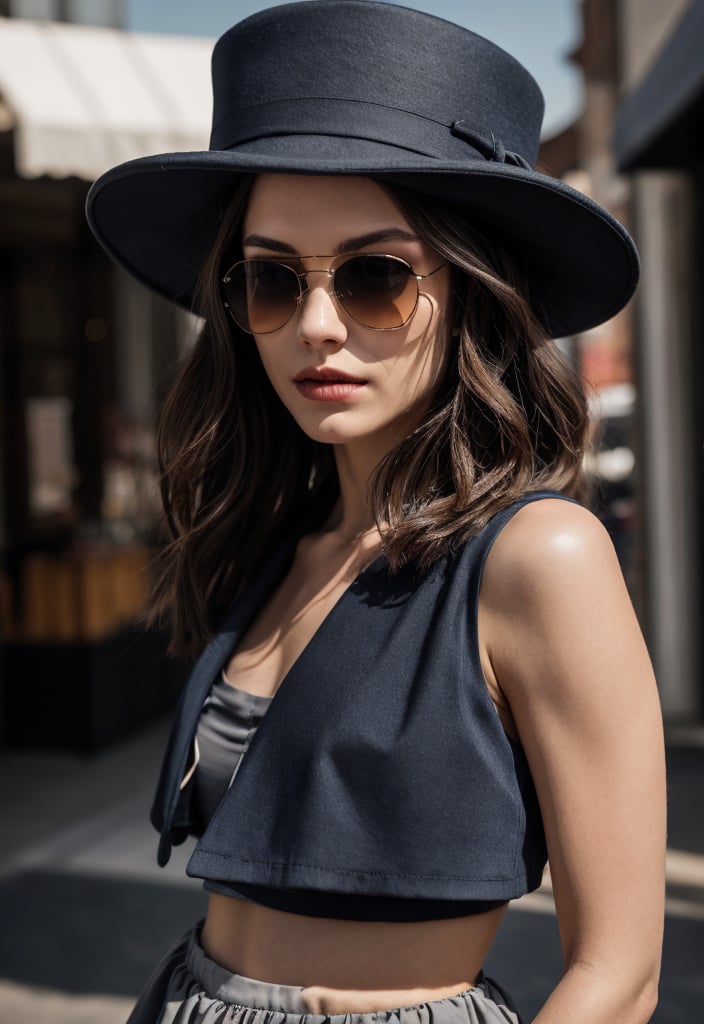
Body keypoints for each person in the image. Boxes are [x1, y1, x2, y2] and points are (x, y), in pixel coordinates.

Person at [86, 3, 666, 1023]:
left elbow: (617, 973)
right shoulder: (276, 543)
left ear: (474, 290)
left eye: (375, 276)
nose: (315, 324)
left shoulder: (539, 555)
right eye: (271, 279)